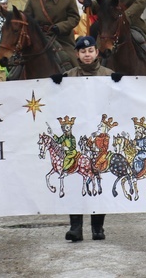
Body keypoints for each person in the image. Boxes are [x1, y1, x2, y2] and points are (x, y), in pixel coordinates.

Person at [50, 35, 122, 241]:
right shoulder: (69, 76)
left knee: (99, 178)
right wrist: (56, 84)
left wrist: (122, 83)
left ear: (97, 53)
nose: (87, 55)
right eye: (83, 52)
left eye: (90, 51)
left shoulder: (108, 74)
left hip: (97, 141)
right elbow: (58, 101)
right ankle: (76, 227)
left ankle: (98, 227)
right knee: (75, 180)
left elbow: (119, 102)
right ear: (77, 54)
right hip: (78, 137)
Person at [23, 0, 80, 68]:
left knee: (73, 61)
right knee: (19, 64)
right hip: (38, 37)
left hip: (61, 38)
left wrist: (60, 27)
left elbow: (74, 18)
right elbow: (27, 17)